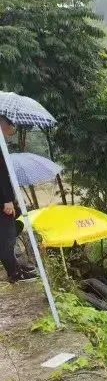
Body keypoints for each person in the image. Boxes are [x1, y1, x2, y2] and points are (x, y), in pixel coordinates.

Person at [0, 116, 37, 283]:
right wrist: (7, 200)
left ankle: (15, 268)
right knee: (7, 238)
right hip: (2, 202)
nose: (12, 129)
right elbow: (1, 175)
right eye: (10, 125)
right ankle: (15, 273)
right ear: (2, 124)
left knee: (11, 231)